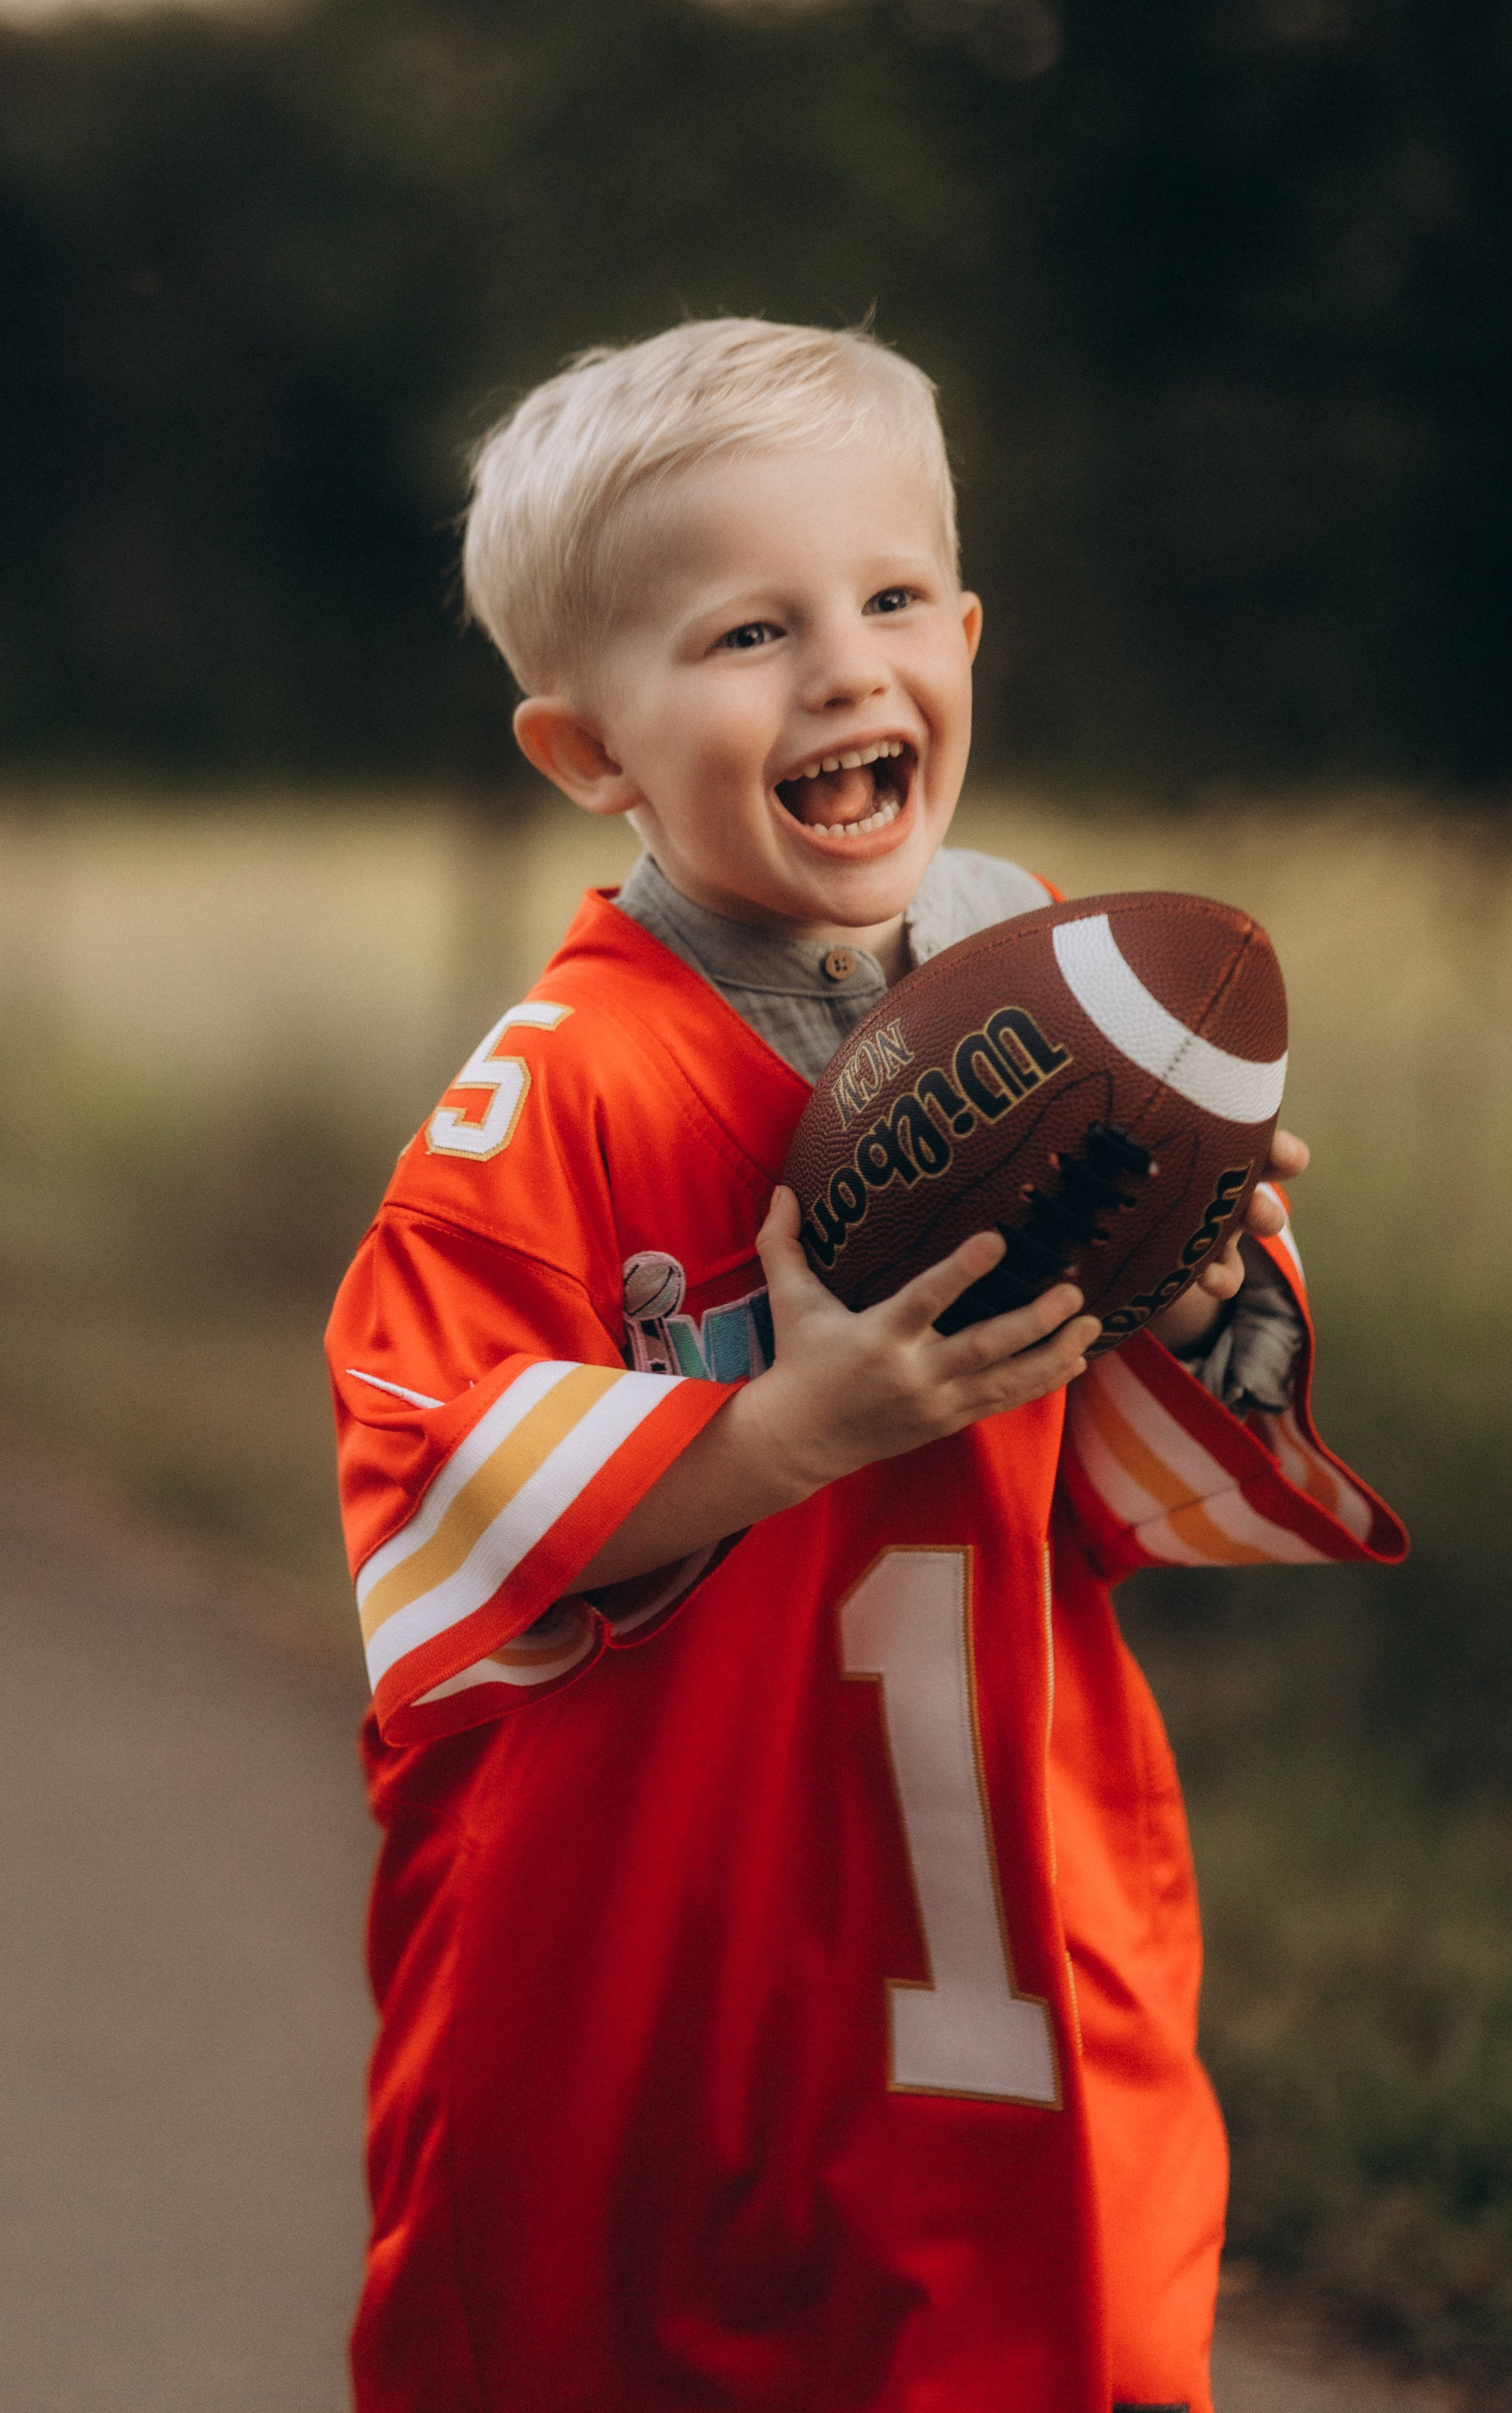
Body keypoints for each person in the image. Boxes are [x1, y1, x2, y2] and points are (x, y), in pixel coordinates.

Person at [327, 319, 1403, 2413]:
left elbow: (1150, 1465)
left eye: (894, 599)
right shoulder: (558, 1092)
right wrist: (778, 1432)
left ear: (971, 634)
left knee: (1065, 2340)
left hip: (1005, 1910)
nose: (842, 669)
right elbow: (435, 1482)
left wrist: (1198, 1288)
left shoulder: (1056, 993)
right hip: (673, 1964)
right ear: (588, 752)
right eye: (746, 632)